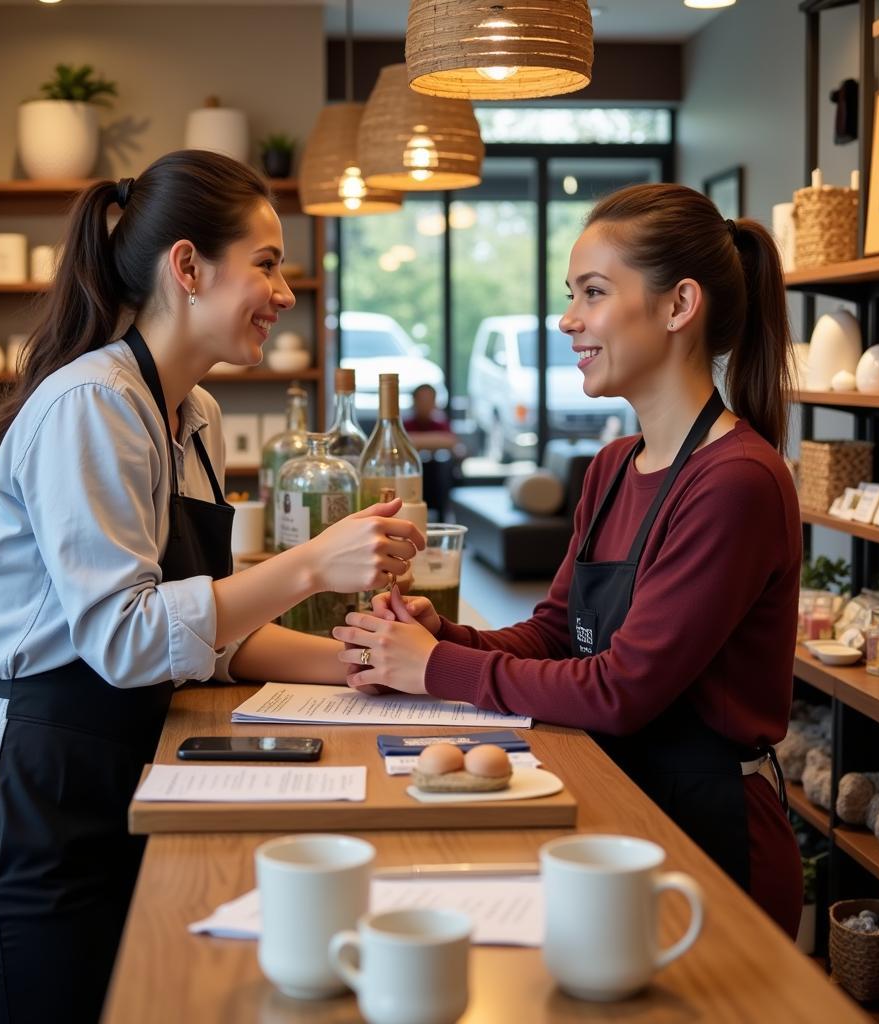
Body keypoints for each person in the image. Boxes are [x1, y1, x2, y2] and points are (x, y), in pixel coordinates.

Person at [0, 150, 422, 1024]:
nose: (285, 291)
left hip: (101, 794)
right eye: (266, 262)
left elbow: (211, 630)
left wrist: (376, 662)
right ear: (187, 267)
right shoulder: (92, 405)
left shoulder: (190, 414)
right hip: (8, 823)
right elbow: (130, 637)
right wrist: (311, 565)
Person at [334, 182, 803, 937]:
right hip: (617, 804)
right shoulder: (616, 464)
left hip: (710, 841)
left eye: (592, 292)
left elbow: (621, 690)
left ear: (680, 306)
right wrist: (443, 637)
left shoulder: (736, 482)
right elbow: (557, 633)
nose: (567, 319)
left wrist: (431, 669)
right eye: (571, 294)